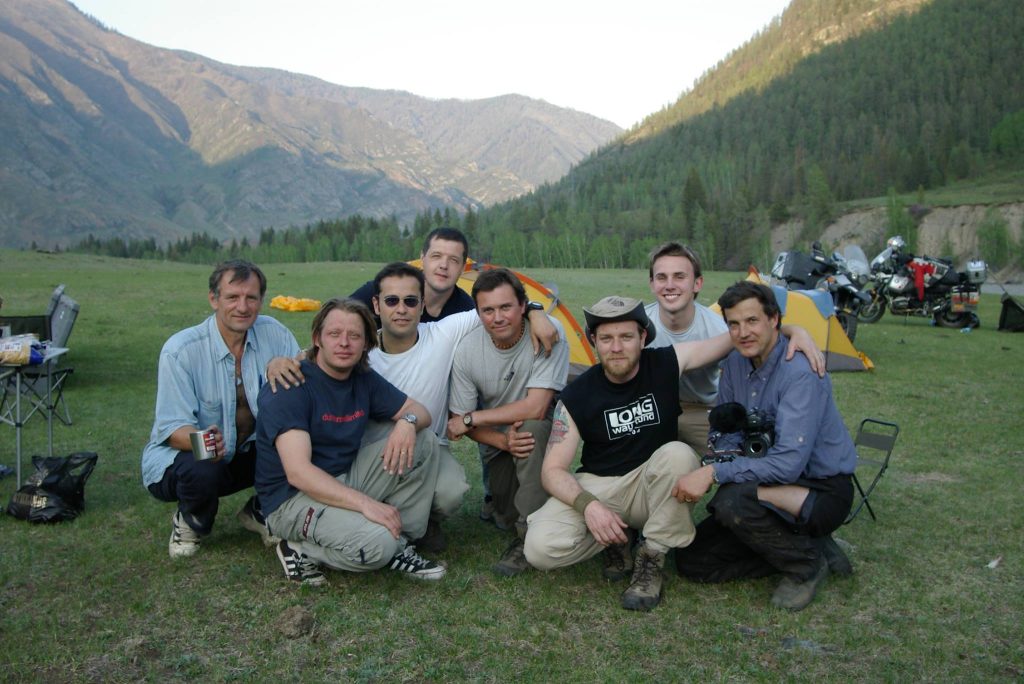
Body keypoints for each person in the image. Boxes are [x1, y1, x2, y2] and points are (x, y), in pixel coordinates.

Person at [523, 296, 824, 611]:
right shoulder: (577, 394)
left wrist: (791, 329)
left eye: (626, 337)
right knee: (540, 549)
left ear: (643, 337)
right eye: (606, 338)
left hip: (652, 486)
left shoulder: (666, 363)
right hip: (599, 485)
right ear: (593, 341)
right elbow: (552, 471)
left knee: (679, 455)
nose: (616, 347)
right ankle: (615, 538)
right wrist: (589, 507)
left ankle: (651, 557)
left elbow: (736, 338)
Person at [673, 281, 857, 611]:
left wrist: (714, 473)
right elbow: (726, 428)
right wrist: (720, 456)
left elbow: (788, 465)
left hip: (818, 488)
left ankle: (805, 565)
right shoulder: (734, 363)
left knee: (732, 502)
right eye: (734, 324)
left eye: (752, 321)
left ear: (774, 319)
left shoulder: (800, 372)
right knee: (693, 561)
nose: (743, 332)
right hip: (762, 480)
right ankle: (806, 547)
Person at [366, 262, 558, 552]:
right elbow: (323, 353)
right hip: (375, 450)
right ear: (376, 305)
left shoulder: (444, 333)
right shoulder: (361, 351)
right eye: (391, 300)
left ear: (422, 305)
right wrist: (295, 360)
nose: (401, 309)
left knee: (452, 492)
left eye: (411, 301)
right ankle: (385, 520)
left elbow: (500, 308)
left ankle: (427, 521)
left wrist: (536, 310)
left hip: (430, 447)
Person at [255, 298, 445, 586]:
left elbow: (419, 411)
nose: (344, 343)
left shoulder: (362, 377)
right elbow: (298, 473)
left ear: (366, 343)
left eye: (354, 335)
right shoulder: (290, 385)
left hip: (343, 477)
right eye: (334, 334)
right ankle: (299, 549)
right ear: (317, 339)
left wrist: (407, 423)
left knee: (423, 439)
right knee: (378, 544)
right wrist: (366, 504)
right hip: (291, 499)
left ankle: (401, 541)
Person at [142, 260, 301, 559]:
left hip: (250, 452)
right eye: (232, 297)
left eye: (251, 297)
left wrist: (290, 363)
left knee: (301, 441)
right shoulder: (180, 351)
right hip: (187, 457)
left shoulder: (276, 334)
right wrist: (204, 441)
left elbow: (307, 378)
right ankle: (191, 521)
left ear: (261, 301)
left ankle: (262, 510)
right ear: (214, 299)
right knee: (202, 463)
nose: (242, 306)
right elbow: (170, 430)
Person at [447, 268, 569, 576]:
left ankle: (528, 534)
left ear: (523, 306)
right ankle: (519, 503)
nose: (498, 318)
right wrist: (503, 441)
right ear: (478, 313)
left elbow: (537, 407)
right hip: (498, 441)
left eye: (506, 307)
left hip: (541, 430)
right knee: (504, 515)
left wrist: (472, 417)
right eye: (488, 310)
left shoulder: (547, 332)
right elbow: (462, 426)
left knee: (531, 428)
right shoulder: (467, 350)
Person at [644, 242, 728, 453]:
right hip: (653, 409)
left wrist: (793, 330)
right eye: (661, 277)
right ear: (652, 284)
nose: (669, 285)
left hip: (703, 409)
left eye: (679, 277)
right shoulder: (639, 326)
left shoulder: (718, 329)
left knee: (733, 460)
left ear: (697, 283)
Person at [350, 227, 475, 323]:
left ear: (463, 267)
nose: (444, 265)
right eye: (436, 256)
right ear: (422, 258)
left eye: (453, 260)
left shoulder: (467, 312)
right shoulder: (383, 291)